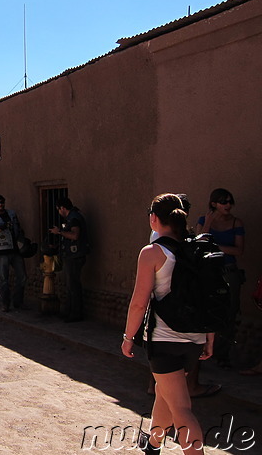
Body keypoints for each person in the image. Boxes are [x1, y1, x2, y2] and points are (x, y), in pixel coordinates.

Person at [122, 194, 212, 455]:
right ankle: (152, 443)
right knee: (166, 393)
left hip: (164, 340)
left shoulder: (152, 252)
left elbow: (139, 302)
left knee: (182, 409)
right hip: (193, 339)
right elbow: (208, 298)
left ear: (154, 219)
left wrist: (129, 337)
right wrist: (209, 337)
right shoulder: (196, 250)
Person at [195, 188, 245, 368]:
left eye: (230, 201)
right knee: (206, 309)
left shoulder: (236, 223)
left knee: (230, 311)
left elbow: (238, 250)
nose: (228, 205)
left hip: (228, 271)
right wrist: (208, 224)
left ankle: (223, 355)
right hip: (208, 271)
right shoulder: (204, 220)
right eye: (224, 202)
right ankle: (203, 351)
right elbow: (199, 244)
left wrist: (215, 246)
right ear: (214, 203)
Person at [0, 194, 27, 311]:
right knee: (4, 279)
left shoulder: (12, 214)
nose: (0, 205)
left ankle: (18, 302)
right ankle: (5, 304)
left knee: (22, 276)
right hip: (1, 252)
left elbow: (19, 230)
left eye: (2, 202)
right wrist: (0, 229)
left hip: (15, 250)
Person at [50, 197, 89, 322]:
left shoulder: (74, 218)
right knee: (70, 285)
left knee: (73, 286)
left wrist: (59, 232)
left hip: (75, 256)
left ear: (62, 208)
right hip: (71, 255)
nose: (59, 212)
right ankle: (68, 311)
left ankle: (76, 313)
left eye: (58, 209)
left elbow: (75, 235)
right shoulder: (71, 218)